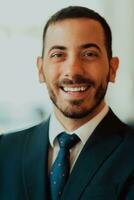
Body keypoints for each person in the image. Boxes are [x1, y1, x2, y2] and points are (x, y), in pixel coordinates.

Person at [0, 5, 134, 200]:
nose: (73, 70)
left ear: (112, 69)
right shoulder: (5, 151)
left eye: (89, 54)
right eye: (58, 55)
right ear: (40, 70)